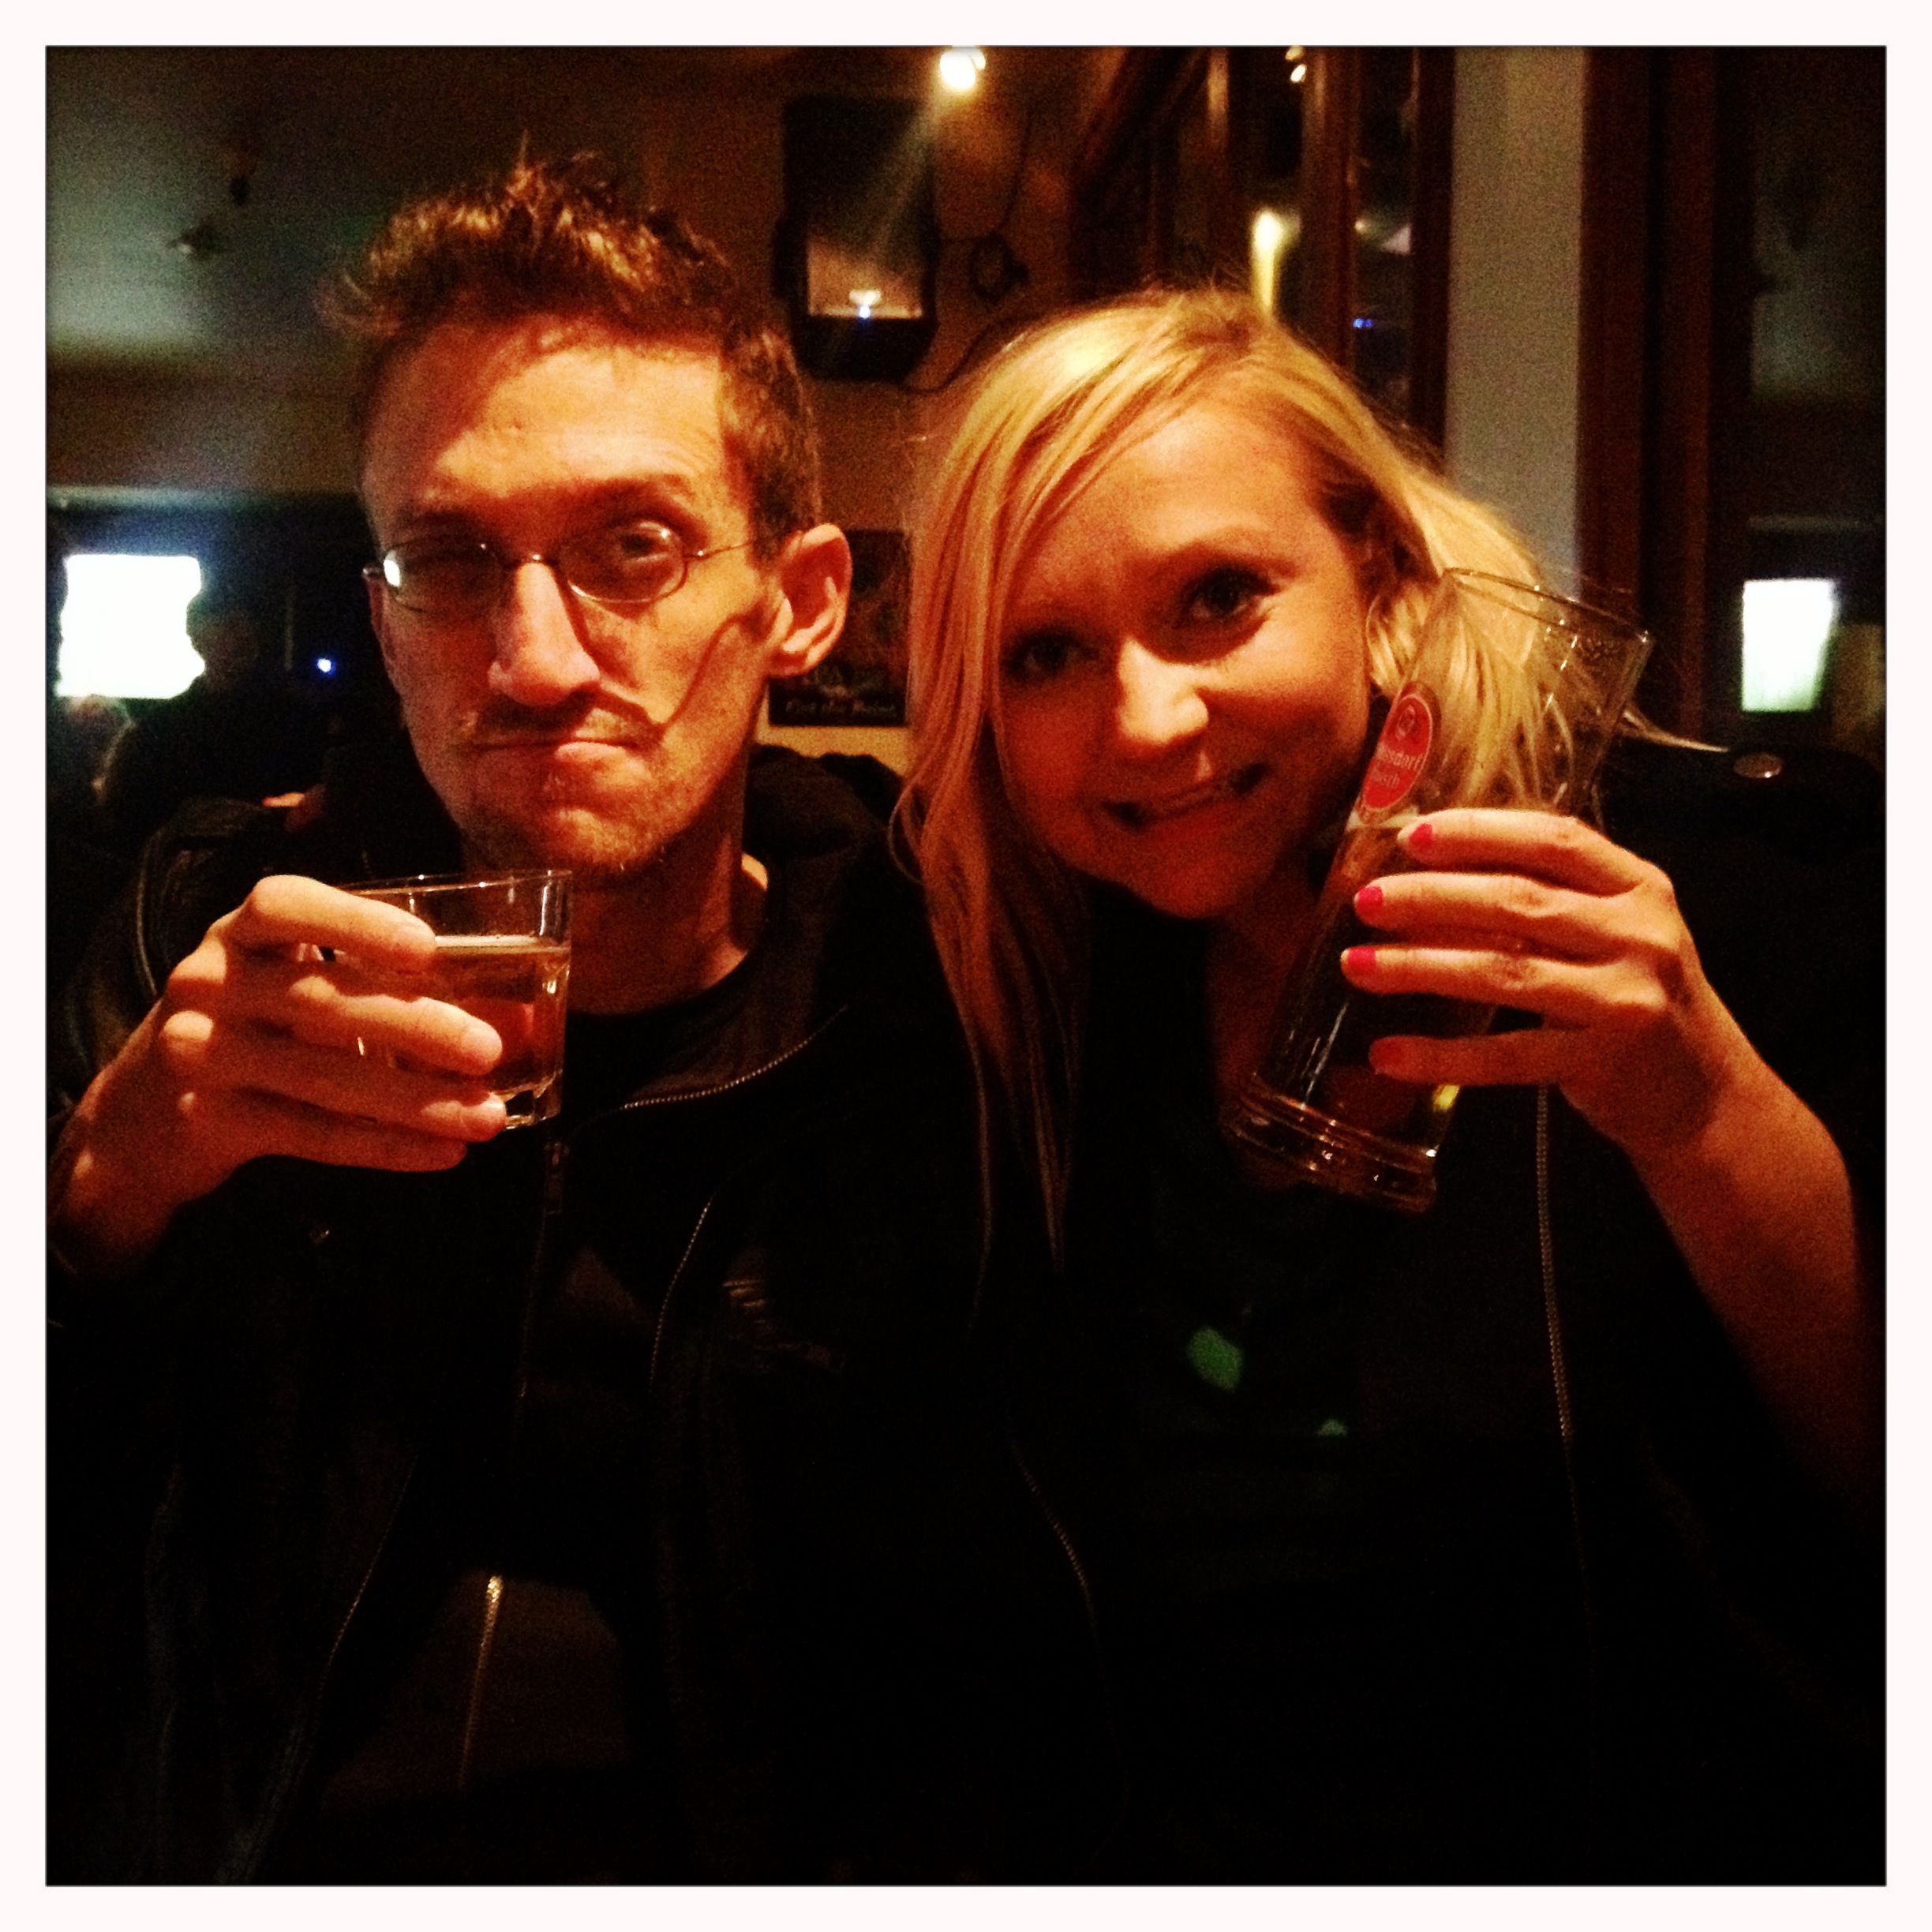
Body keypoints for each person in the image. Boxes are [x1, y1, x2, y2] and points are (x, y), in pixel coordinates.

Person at [49, 155, 1095, 1883]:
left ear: (799, 603)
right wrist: (95, 1204)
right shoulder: (204, 931)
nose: (532, 660)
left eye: (634, 546)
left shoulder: (941, 999)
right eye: (449, 561)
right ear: (386, 627)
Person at [897, 286, 1883, 1881]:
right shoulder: (1047, 970)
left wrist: (1702, 1111)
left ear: (1384, 584)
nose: (1146, 721)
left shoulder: (1736, 897)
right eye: (1046, 652)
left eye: (1217, 598)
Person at [95, 584, 328, 856]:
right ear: (196, 636)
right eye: (228, 624)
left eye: (248, 623)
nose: (243, 634)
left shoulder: (300, 714)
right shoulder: (159, 731)